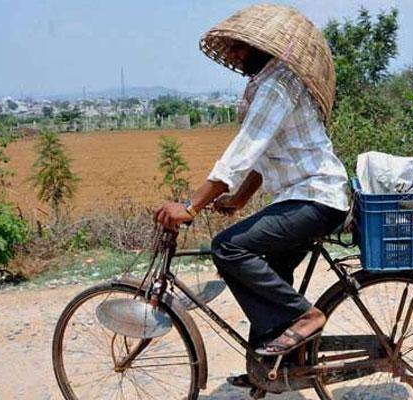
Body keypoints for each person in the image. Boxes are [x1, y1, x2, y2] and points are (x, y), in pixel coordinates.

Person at [153, 3, 349, 384]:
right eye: (233, 50)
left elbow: (242, 151)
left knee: (227, 247)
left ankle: (305, 316)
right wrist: (238, 199)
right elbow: (262, 156)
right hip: (305, 198)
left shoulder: (277, 86)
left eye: (241, 48)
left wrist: (191, 206)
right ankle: (269, 371)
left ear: (262, 47)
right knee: (268, 275)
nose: (236, 56)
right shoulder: (272, 83)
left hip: (317, 198)